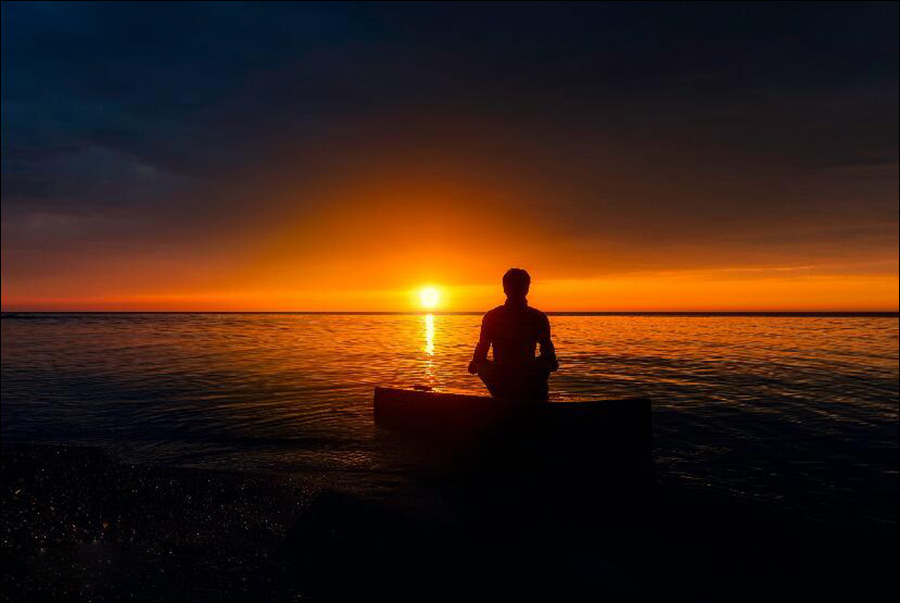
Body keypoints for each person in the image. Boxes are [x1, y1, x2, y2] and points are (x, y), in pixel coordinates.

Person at [468, 268, 559, 401]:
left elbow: (482, 349)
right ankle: (538, 397)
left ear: (504, 289)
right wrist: (551, 362)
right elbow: (548, 352)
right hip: (529, 378)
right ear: (527, 289)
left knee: (479, 364)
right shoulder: (538, 317)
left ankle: (502, 398)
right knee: (546, 363)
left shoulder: (492, 316)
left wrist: (475, 364)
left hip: (501, 379)